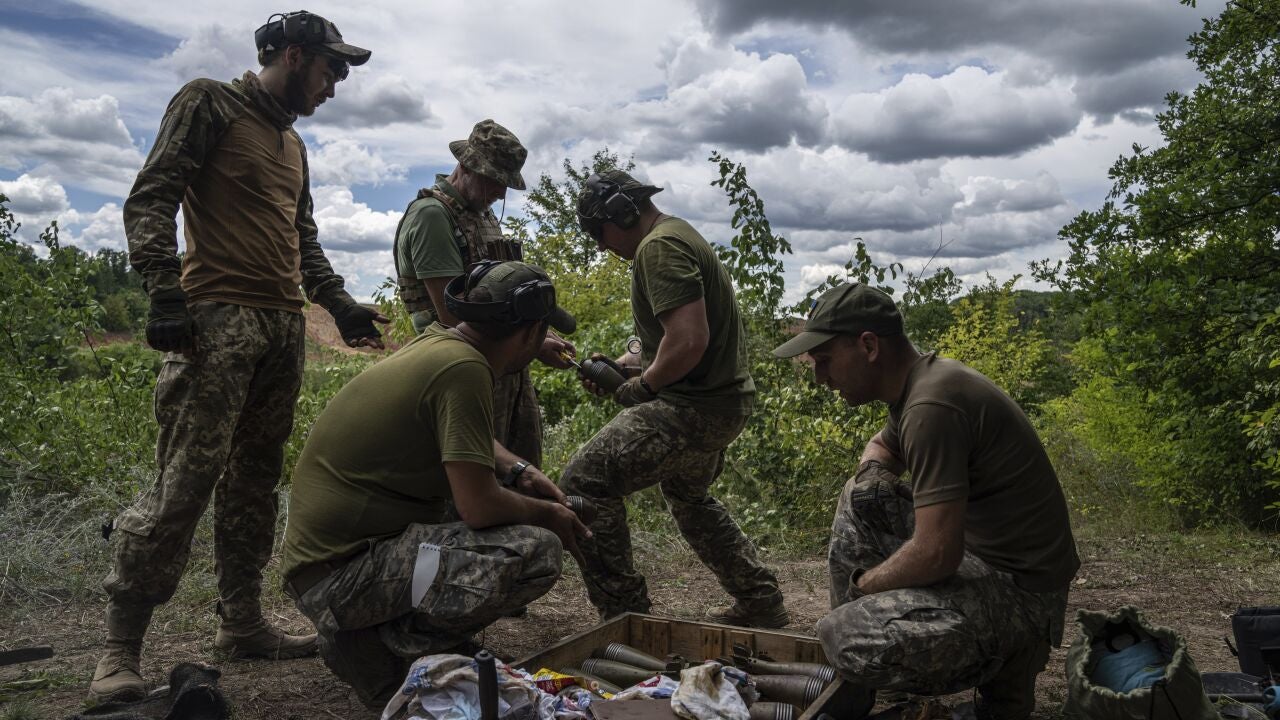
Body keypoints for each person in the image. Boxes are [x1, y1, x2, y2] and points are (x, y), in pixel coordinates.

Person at [92, 11, 386, 702]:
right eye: (330, 69)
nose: (335, 86)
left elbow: (302, 234)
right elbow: (153, 193)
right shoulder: (208, 101)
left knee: (255, 483)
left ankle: (242, 623)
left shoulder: (293, 145)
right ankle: (118, 648)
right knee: (183, 484)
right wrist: (164, 292)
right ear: (292, 55)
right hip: (215, 318)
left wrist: (337, 303)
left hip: (283, 327)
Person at [281, 261, 589, 708]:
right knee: (534, 550)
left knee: (477, 517)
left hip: (327, 566)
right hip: (340, 580)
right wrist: (550, 513)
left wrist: (518, 469)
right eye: (541, 332)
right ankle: (384, 650)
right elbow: (478, 507)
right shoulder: (465, 370)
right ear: (528, 333)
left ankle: (371, 637)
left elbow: (459, 434)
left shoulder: (442, 344)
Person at [772, 283, 1081, 719]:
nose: (820, 378)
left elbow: (938, 553)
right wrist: (873, 477)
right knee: (859, 494)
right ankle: (852, 692)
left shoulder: (931, 406)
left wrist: (864, 589)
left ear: (868, 345)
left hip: (1024, 596)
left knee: (843, 637)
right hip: (990, 560)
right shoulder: (921, 384)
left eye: (824, 362)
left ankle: (1007, 664)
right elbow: (879, 448)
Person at [562, 170, 787, 628]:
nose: (602, 246)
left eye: (597, 232)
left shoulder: (657, 249)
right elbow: (664, 338)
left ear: (620, 214)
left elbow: (686, 342)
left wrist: (640, 388)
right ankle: (759, 599)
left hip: (693, 408)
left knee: (583, 483)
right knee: (688, 495)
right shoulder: (676, 234)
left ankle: (626, 616)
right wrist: (627, 364)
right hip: (722, 404)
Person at [393, 119, 573, 471]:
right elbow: (453, 315)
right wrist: (534, 345)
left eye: (505, 184)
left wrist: (539, 335)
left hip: (500, 367)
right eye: (494, 180)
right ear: (467, 166)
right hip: (460, 373)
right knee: (477, 482)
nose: (501, 193)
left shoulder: (482, 213)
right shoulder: (433, 215)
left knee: (522, 476)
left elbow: (502, 296)